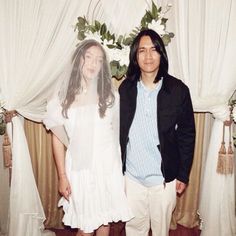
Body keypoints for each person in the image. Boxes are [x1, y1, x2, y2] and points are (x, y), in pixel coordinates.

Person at [44, 39, 133, 236]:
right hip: (80, 169)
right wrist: (62, 176)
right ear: (78, 61)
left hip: (107, 166)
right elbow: (58, 139)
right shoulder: (61, 99)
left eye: (99, 60)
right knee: (85, 227)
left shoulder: (111, 96)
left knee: (104, 222)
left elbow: (117, 133)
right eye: (89, 57)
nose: (93, 64)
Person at [119, 29, 196, 236]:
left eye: (154, 50)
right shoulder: (125, 89)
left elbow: (187, 134)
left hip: (164, 180)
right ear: (135, 56)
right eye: (142, 51)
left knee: (161, 230)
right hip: (132, 177)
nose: (148, 56)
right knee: (134, 229)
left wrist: (183, 174)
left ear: (161, 54)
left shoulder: (178, 90)